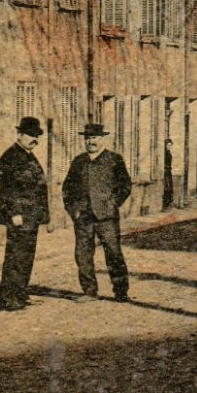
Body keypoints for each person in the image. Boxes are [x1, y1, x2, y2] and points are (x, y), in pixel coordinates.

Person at [62, 122, 133, 303]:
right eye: (87, 138)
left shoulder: (114, 159)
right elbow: (67, 189)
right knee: (83, 254)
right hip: (83, 218)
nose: (90, 141)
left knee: (113, 253)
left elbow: (125, 186)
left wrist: (112, 204)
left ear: (102, 139)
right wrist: (73, 211)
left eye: (94, 137)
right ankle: (89, 291)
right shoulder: (78, 162)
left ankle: (121, 291)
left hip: (106, 217)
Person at [0, 117, 52, 311]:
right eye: (30, 135)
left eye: (37, 136)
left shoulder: (27, 155)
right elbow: (8, 189)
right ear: (19, 135)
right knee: (15, 257)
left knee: (26, 256)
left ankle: (20, 293)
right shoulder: (11, 157)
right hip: (19, 216)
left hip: (31, 217)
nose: (34, 139)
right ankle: (9, 298)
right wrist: (14, 213)